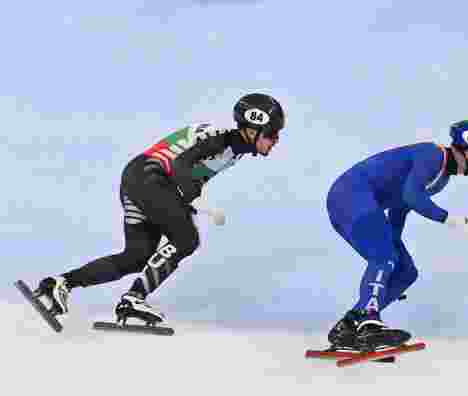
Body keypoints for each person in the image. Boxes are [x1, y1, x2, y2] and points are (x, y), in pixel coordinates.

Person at [27, 94, 284, 328]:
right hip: (151, 177)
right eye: (272, 134)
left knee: (137, 257)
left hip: (141, 179)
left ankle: (61, 283)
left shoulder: (234, 151)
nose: (276, 141)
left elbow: (190, 175)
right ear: (253, 129)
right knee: (187, 239)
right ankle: (133, 298)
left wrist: (189, 201)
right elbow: (181, 163)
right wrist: (200, 203)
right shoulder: (222, 140)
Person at [325, 120, 468, 351]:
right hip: (350, 195)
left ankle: (349, 325)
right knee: (384, 257)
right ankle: (369, 323)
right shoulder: (433, 156)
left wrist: (393, 242)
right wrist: (452, 220)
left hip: (360, 202)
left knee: (405, 271)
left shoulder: (441, 179)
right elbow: (411, 196)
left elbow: (400, 206)